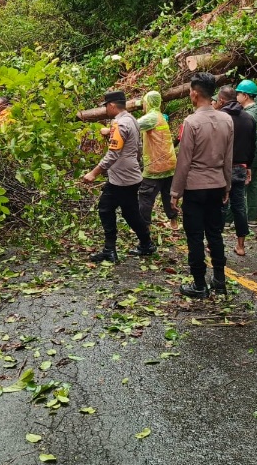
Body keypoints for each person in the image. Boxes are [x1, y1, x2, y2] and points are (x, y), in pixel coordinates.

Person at [171, 73, 234, 298]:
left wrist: (175, 192)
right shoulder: (227, 120)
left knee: (195, 236)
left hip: (195, 187)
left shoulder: (191, 122)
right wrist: (227, 186)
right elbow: (229, 157)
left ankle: (199, 284)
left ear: (195, 94)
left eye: (190, 91)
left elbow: (184, 160)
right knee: (215, 233)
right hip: (217, 184)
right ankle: (220, 279)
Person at [82, 90, 154, 261]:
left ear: (112, 106)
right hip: (131, 175)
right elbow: (135, 147)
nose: (106, 109)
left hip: (121, 179)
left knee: (105, 209)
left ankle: (110, 249)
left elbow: (113, 154)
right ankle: (146, 244)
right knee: (130, 213)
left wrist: (94, 173)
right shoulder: (132, 120)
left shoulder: (120, 124)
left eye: (106, 106)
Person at [216, 85, 255, 256]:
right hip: (241, 167)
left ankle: (214, 244)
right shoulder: (248, 118)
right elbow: (253, 145)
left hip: (222, 167)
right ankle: (241, 245)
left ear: (222, 100)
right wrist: (249, 166)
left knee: (220, 206)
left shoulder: (220, 118)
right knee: (239, 205)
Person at [136, 90, 180, 237]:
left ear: (148, 102)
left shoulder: (151, 118)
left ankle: (144, 229)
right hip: (169, 163)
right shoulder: (160, 117)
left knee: (145, 197)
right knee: (167, 195)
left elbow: (131, 127)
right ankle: (174, 223)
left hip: (156, 166)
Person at [235, 79, 257, 226]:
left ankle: (239, 219)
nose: (236, 96)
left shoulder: (249, 115)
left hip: (249, 156)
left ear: (245, 95)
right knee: (255, 186)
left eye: (238, 93)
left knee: (241, 188)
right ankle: (252, 218)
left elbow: (249, 139)